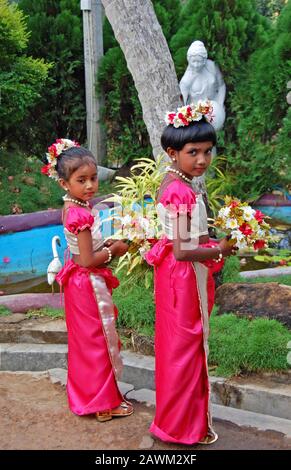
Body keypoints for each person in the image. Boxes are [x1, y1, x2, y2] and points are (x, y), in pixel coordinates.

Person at [145, 103, 236, 445]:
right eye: (193, 152)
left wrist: (217, 239)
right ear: (172, 152)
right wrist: (220, 249)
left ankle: (179, 422)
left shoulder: (177, 182)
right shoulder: (180, 190)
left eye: (207, 152)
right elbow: (183, 251)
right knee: (185, 347)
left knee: (179, 348)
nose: (202, 159)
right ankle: (180, 427)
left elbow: (185, 240)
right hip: (181, 279)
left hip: (174, 275)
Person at [41, 139, 133, 422]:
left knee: (86, 341)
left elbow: (82, 251)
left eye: (93, 178)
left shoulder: (73, 205)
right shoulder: (80, 213)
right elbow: (89, 259)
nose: (90, 185)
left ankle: (91, 397)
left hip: (77, 281)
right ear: (64, 183)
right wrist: (113, 250)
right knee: (97, 340)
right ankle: (103, 403)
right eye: (82, 180)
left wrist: (103, 243)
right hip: (87, 281)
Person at [180, 41, 226, 131]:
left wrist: (220, 104)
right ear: (189, 60)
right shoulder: (186, 80)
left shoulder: (212, 66)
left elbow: (221, 85)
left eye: (199, 61)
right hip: (198, 118)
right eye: (193, 61)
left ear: (204, 60)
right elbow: (182, 105)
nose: (196, 65)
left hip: (216, 111)